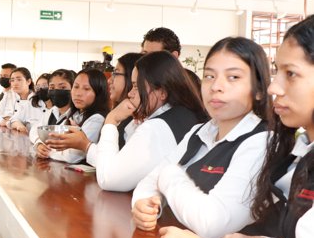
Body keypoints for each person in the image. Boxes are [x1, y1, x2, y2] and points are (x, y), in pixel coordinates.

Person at [157, 15, 314, 238]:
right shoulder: (305, 155)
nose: (275, 88)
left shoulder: (262, 141)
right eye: (209, 76)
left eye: (291, 74)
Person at [131, 37, 272, 238]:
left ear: (259, 90)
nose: (216, 86)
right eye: (209, 76)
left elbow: (211, 224)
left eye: (233, 77)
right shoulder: (200, 132)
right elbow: (148, 182)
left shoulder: (262, 141)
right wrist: (144, 204)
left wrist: (169, 176)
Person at [48, 51, 208, 191]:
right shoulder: (185, 114)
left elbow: (109, 179)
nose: (130, 93)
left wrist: (111, 120)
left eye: (136, 87)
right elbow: (121, 164)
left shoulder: (156, 127)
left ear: (161, 92)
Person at [38, 68, 109, 163]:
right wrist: (39, 146)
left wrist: (47, 152)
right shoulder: (75, 114)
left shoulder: (97, 119)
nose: (78, 93)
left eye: (86, 89)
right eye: (76, 87)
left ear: (98, 93)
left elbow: (72, 156)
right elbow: (55, 140)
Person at [141, 26, 202, 91]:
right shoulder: (142, 77)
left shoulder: (189, 82)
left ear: (173, 56)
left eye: (155, 55)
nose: (147, 60)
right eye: (145, 54)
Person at [109, 53, 143, 148]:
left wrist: (110, 120)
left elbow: (110, 160)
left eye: (115, 73)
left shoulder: (138, 120)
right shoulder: (121, 114)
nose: (109, 80)